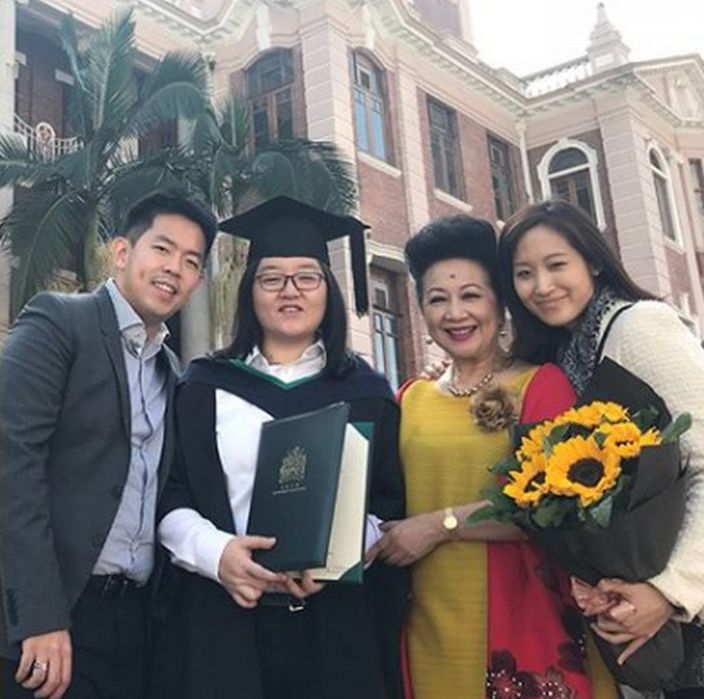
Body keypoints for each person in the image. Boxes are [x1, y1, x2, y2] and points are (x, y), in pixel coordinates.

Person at [153, 196, 409, 699]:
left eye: (307, 277)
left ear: (328, 290)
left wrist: (337, 555)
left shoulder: (367, 394)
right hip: (223, 621)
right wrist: (217, 554)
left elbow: (387, 507)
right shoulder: (204, 387)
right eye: (271, 279)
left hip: (335, 629)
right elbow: (169, 493)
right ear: (250, 292)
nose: (290, 291)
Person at [368, 215, 617, 698]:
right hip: (427, 622)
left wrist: (439, 525)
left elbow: (556, 506)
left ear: (500, 303)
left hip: (522, 614)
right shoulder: (410, 398)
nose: (455, 313)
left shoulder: (540, 385)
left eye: (471, 296)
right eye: (437, 299)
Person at [0, 191, 217, 699]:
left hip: (131, 625)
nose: (174, 268)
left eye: (191, 262)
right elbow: (11, 462)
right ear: (121, 252)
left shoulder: (171, 371)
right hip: (52, 617)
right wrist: (40, 616)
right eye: (162, 249)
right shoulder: (59, 322)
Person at [498, 198, 704, 698]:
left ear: (592, 260)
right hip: (638, 617)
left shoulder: (639, 327)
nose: (542, 286)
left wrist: (669, 592)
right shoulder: (565, 354)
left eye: (556, 265)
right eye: (524, 274)